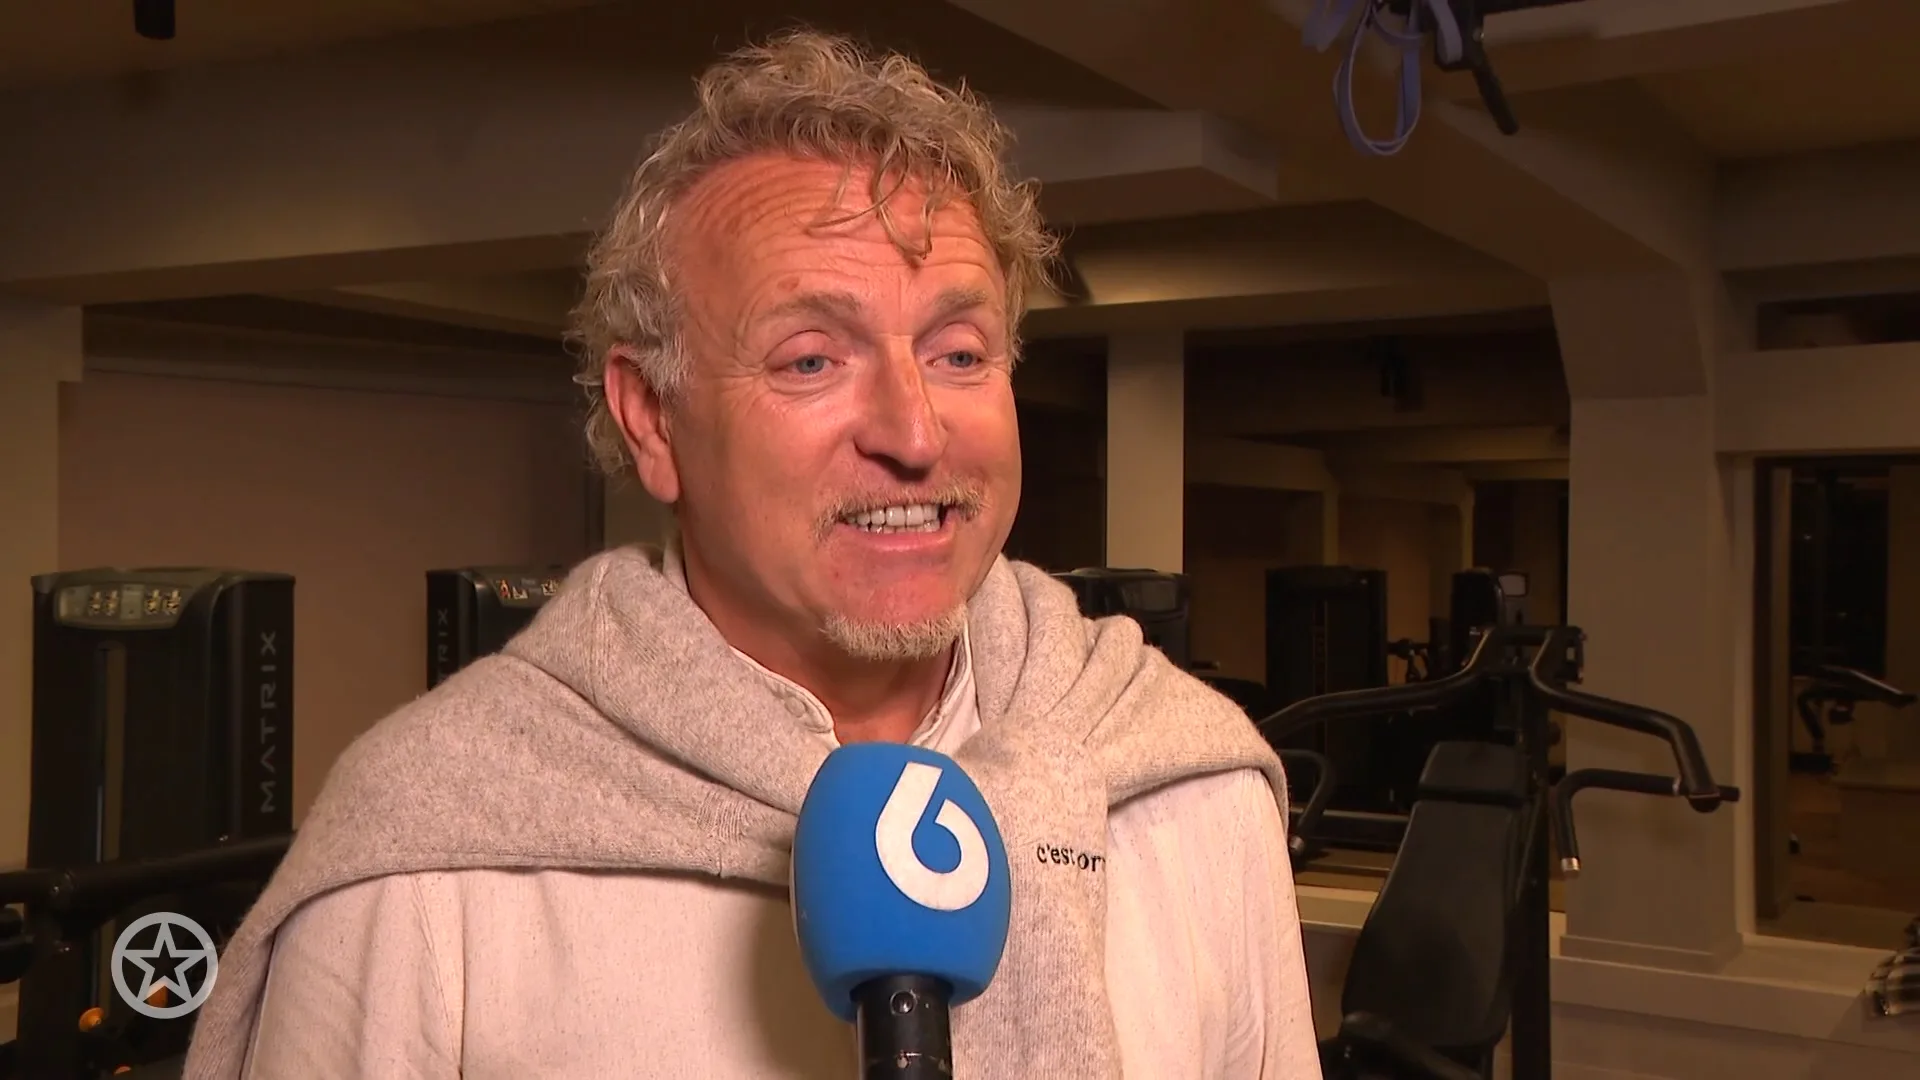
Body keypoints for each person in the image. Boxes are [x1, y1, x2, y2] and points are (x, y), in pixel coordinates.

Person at [183, 28, 1321, 1079]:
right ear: (651, 419)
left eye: (960, 353)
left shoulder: (1192, 791)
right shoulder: (425, 861)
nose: (915, 434)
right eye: (811, 360)